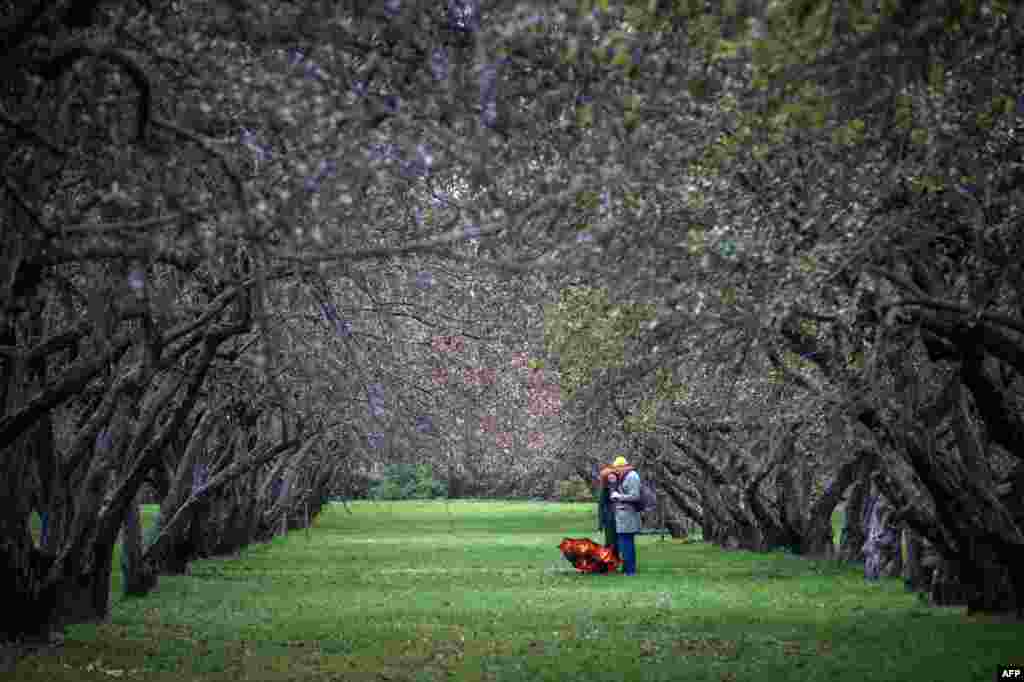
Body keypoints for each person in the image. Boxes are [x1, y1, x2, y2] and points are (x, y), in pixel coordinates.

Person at [609, 455, 641, 576]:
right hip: (623, 516)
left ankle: (630, 570)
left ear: (623, 466)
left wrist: (619, 496)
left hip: (629, 515)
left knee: (627, 543)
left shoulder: (632, 477)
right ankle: (627, 568)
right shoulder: (624, 476)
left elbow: (635, 496)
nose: (616, 471)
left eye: (617, 468)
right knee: (624, 543)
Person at [597, 472, 619, 550]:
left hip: (620, 518)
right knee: (609, 541)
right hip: (609, 519)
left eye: (613, 477)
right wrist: (600, 524)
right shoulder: (605, 490)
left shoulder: (621, 488)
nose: (612, 479)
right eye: (610, 478)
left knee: (618, 541)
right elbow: (601, 506)